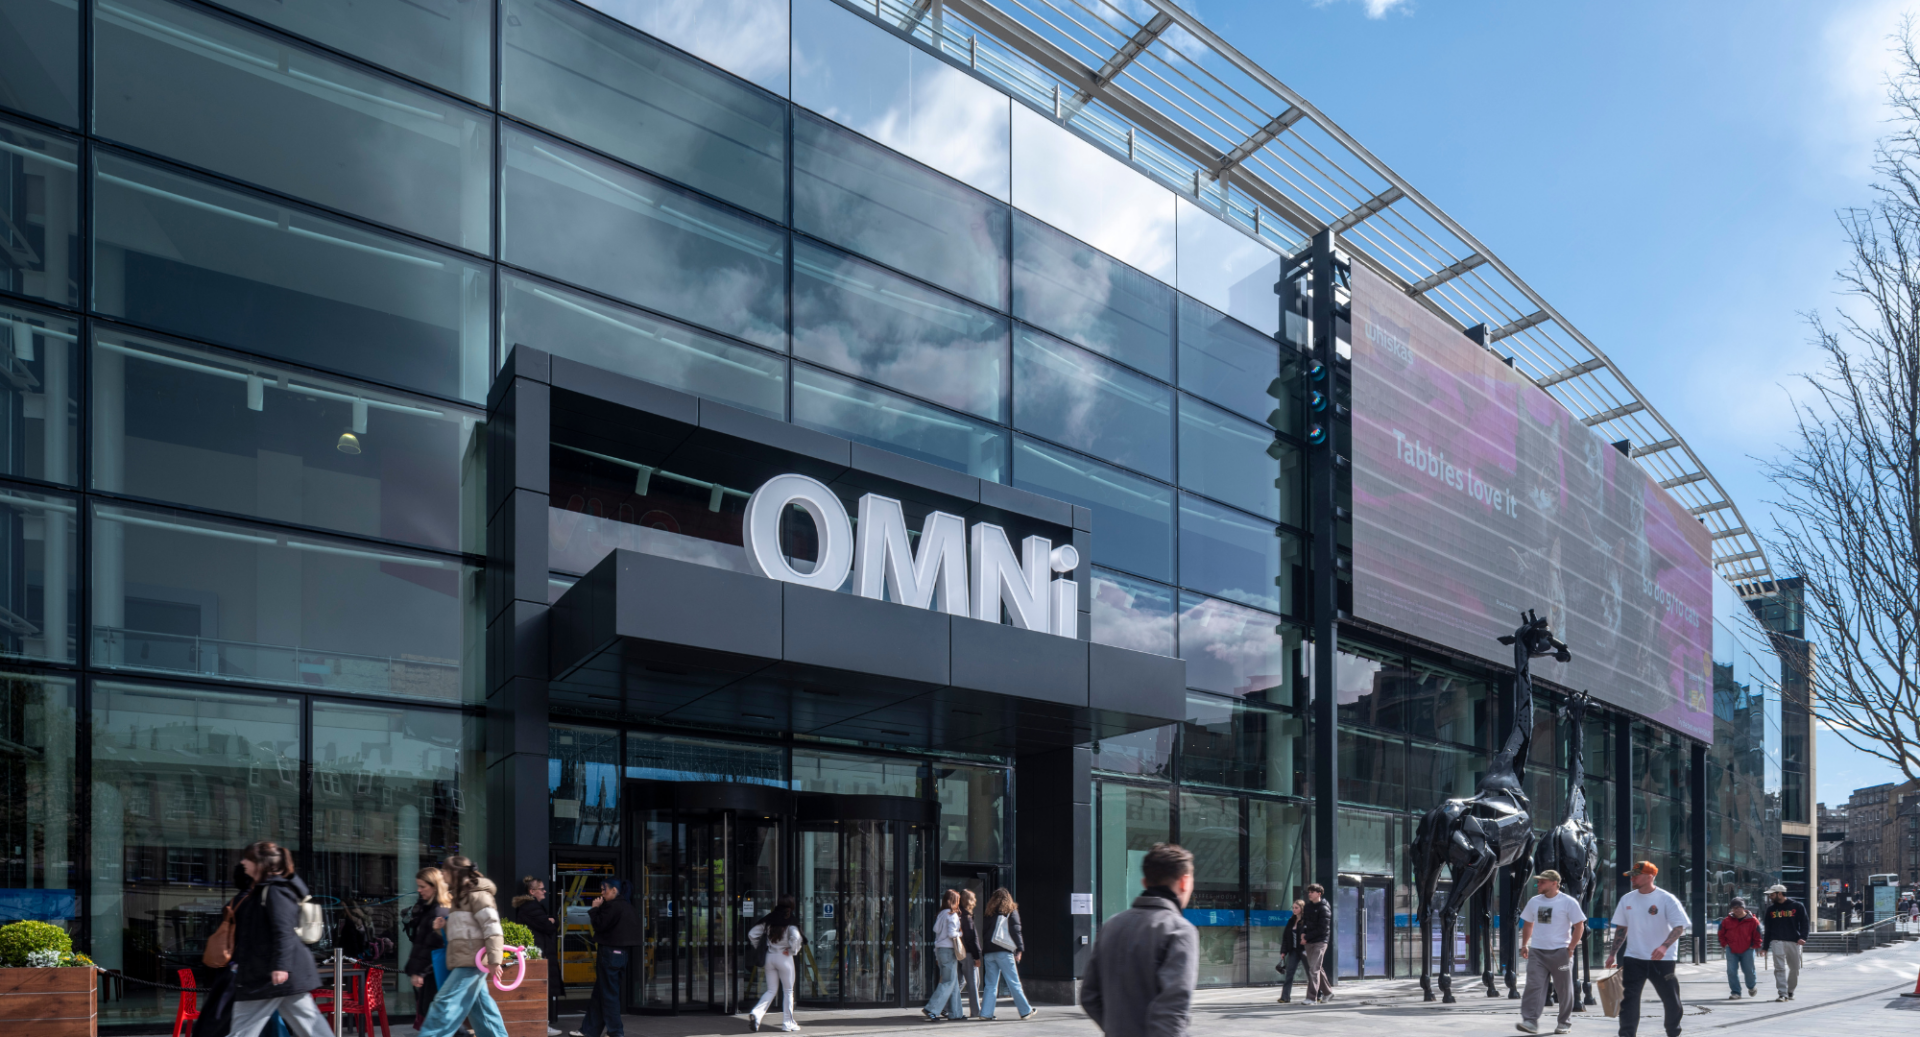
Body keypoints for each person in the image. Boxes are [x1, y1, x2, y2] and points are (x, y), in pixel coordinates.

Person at [1080, 843, 1198, 1037]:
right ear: (1184, 881)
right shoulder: (1179, 930)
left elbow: (1089, 996)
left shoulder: (1112, 925)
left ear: (1144, 883)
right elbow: (1172, 1010)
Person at [224, 841, 330, 1037]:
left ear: (260, 863)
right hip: (273, 975)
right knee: (312, 1028)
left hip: (270, 976)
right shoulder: (265, 890)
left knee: (243, 1029)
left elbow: (284, 931)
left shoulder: (275, 891)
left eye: (248, 858)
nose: (243, 862)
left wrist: (280, 966)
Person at [417, 856, 509, 1037]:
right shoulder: (460, 898)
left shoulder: (478, 895)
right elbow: (464, 932)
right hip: (466, 959)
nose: (442, 874)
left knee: (443, 1004)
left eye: (444, 871)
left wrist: (494, 960)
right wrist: (441, 929)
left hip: (471, 961)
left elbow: (493, 928)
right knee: (481, 1010)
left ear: (455, 873)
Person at [1605, 861, 1689, 1037]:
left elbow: (1679, 927)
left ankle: (1673, 1032)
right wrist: (1612, 954)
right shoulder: (1627, 899)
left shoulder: (1666, 899)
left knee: (1671, 999)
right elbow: (1622, 929)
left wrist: (1664, 946)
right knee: (1629, 1000)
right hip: (1634, 957)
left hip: (1662, 960)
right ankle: (1627, 1034)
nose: (1632, 878)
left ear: (1650, 876)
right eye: (1632, 875)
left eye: (1636, 875)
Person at [1516, 869, 1586, 1035]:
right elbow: (1528, 924)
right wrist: (1524, 944)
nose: (1538, 884)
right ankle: (1530, 1021)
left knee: (1564, 989)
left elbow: (1579, 925)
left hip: (1560, 952)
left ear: (1554, 883)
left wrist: (1570, 948)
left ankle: (1564, 1023)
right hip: (1537, 952)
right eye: (1538, 881)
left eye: (1542, 882)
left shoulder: (1568, 902)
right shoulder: (1534, 901)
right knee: (1533, 986)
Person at [575, 878, 643, 1037]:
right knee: (601, 993)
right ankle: (588, 1031)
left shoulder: (612, 906)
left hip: (609, 954)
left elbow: (599, 924)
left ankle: (615, 1032)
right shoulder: (628, 907)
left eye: (604, 889)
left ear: (614, 890)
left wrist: (594, 909)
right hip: (622, 955)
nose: (602, 893)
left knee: (608, 995)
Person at [513, 876, 565, 1036]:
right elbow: (548, 927)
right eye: (541, 889)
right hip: (539, 952)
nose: (545, 891)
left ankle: (543, 1024)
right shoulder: (531, 907)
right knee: (542, 988)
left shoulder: (530, 906)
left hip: (539, 951)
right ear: (532, 891)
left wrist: (551, 921)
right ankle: (543, 1025)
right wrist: (554, 921)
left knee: (541, 988)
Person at [746, 896, 803, 1032]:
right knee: (788, 991)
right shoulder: (790, 920)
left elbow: (752, 934)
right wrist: (792, 950)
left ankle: (757, 1013)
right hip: (784, 957)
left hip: (769, 957)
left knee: (771, 990)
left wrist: (760, 946)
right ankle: (788, 1023)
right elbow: (796, 937)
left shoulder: (769, 919)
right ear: (791, 906)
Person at [977, 888, 1034, 1021]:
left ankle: (986, 1013)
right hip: (1004, 951)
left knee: (990, 984)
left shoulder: (988, 914)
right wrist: (1019, 949)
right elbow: (1016, 931)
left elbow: (984, 934)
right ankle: (1025, 1011)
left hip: (989, 953)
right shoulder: (1010, 911)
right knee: (1013, 982)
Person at [406, 868, 452, 1030]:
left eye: (423, 886)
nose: (419, 890)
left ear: (435, 886)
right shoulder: (431, 909)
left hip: (434, 971)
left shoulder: (438, 911)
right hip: (432, 970)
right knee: (431, 1011)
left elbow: (432, 944)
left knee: (433, 1011)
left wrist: (419, 972)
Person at [923, 889, 965, 1023]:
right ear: (953, 901)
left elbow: (937, 937)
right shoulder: (952, 915)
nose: (959, 903)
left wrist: (937, 957)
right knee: (948, 982)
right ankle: (931, 1008)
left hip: (941, 951)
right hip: (949, 951)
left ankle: (956, 1013)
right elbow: (953, 934)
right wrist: (960, 934)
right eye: (957, 900)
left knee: (953, 983)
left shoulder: (940, 915)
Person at [1760, 883, 1808, 1002]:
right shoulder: (1771, 910)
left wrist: (1803, 937)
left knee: (1795, 968)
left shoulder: (1797, 906)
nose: (1770, 897)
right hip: (1777, 941)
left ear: (1780, 894)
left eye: (1772, 894)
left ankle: (1790, 991)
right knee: (1779, 968)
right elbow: (1768, 929)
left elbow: (1805, 924)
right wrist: (1765, 947)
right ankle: (1782, 993)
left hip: (1794, 942)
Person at [1716, 898, 1762, 999]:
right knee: (1731, 971)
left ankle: (1751, 986)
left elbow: (1758, 934)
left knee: (1749, 970)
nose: (1736, 910)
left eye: (1738, 907)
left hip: (1748, 949)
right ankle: (1736, 992)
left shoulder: (1752, 920)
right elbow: (1720, 934)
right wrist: (1724, 944)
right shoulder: (1726, 921)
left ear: (1743, 908)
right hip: (1731, 950)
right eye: (1734, 908)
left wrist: (1755, 945)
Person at [1297, 884, 1333, 1005]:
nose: (1309, 894)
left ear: (1319, 893)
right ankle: (1328, 993)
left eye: (1312, 892)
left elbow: (1322, 929)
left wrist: (1306, 937)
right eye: (1309, 892)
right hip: (1309, 941)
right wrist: (1302, 933)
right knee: (1317, 968)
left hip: (1321, 941)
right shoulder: (1308, 907)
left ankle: (1311, 998)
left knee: (1313, 969)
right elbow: (1304, 922)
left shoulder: (1324, 908)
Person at [1274, 899, 1306, 1004]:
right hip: (1293, 951)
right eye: (1293, 908)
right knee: (1289, 973)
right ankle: (1285, 997)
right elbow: (1286, 937)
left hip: (1304, 950)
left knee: (1311, 973)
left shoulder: (1306, 921)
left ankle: (1318, 994)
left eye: (1296, 908)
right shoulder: (1291, 921)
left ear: (1302, 909)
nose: (1294, 910)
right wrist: (1283, 951)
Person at [958, 889, 983, 1019]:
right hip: (968, 954)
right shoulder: (966, 917)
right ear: (969, 901)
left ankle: (946, 1006)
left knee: (960, 982)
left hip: (960, 953)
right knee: (973, 984)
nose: (975, 901)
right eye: (973, 899)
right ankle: (976, 1011)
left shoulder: (959, 914)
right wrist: (977, 956)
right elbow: (971, 939)